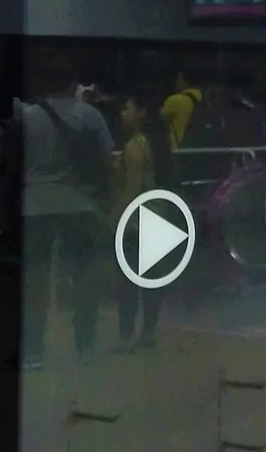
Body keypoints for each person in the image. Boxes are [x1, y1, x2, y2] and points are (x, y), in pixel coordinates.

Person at [15, 72, 117, 368]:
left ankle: (33, 350)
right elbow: (107, 161)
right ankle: (85, 343)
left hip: (33, 205)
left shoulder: (28, 116)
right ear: (73, 85)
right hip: (80, 204)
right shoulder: (90, 114)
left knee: (35, 281)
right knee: (85, 276)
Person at [113, 94, 172, 350]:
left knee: (127, 282)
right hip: (158, 214)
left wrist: (113, 216)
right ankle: (148, 332)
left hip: (137, 221)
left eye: (126, 108)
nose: (122, 114)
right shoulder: (157, 143)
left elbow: (132, 188)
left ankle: (127, 335)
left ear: (141, 112)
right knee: (151, 280)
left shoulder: (134, 147)